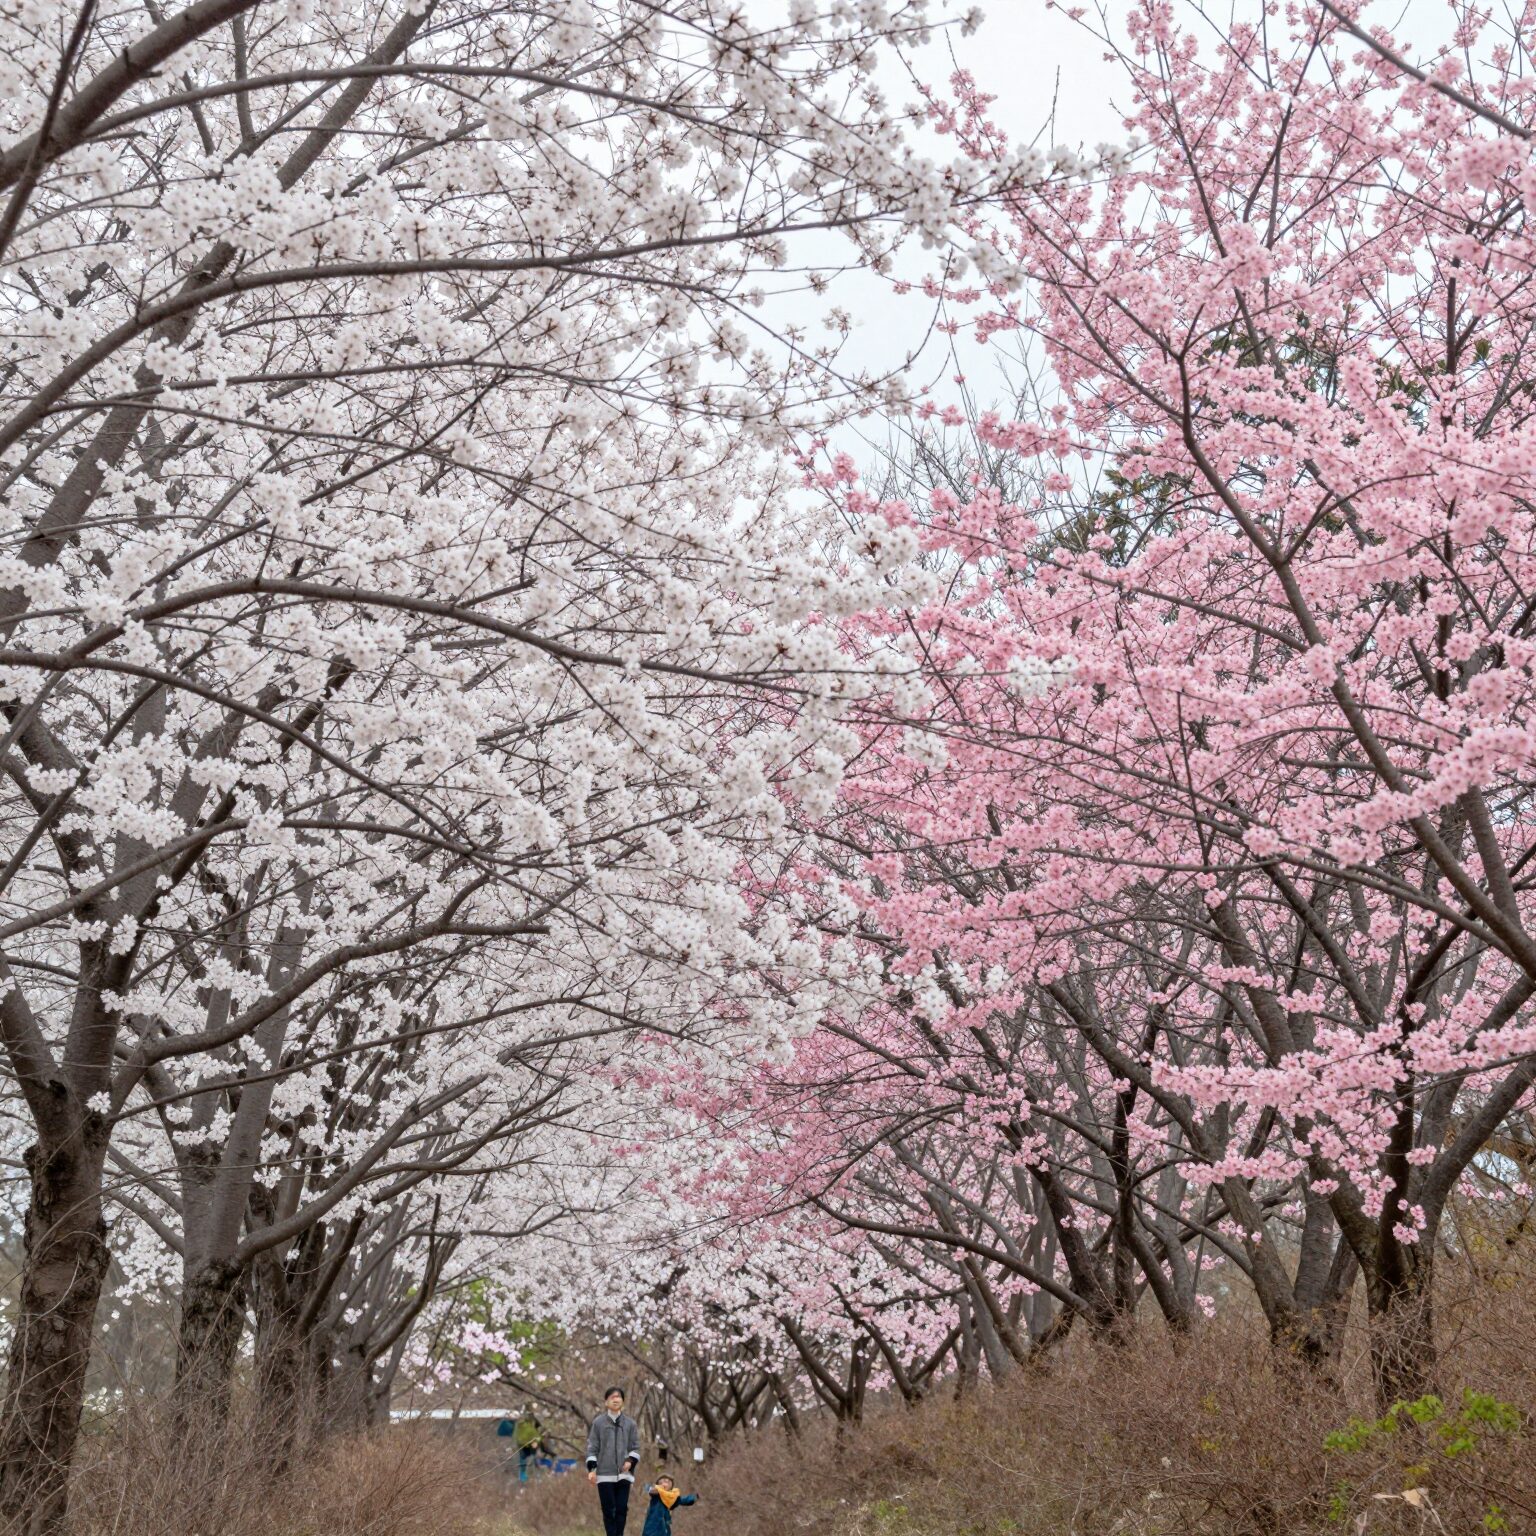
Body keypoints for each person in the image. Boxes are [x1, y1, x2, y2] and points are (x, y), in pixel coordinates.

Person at [585, 1386, 642, 1536]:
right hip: (604, 1474)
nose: (616, 1399)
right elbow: (592, 1447)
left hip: (624, 1474)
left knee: (622, 1508)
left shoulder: (630, 1424)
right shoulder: (598, 1423)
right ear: (606, 1402)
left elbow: (636, 1448)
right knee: (609, 1509)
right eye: (612, 1397)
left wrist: (630, 1461)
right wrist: (592, 1470)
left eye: (619, 1397)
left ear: (622, 1401)